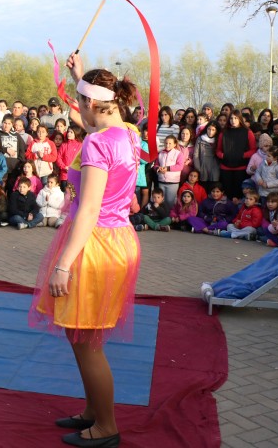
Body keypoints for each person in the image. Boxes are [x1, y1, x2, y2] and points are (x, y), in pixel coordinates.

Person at [29, 60, 141, 447]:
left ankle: (107, 426)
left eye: (79, 102)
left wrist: (62, 264)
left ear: (92, 105)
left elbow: (89, 209)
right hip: (118, 240)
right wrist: (80, 79)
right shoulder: (128, 134)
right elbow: (97, 115)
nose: (77, 110)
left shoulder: (96, 143)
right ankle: (94, 411)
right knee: (83, 335)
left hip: (95, 244)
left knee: (87, 341)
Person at [216, 110, 256, 202]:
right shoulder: (224, 132)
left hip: (241, 167)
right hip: (225, 167)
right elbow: (218, 150)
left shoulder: (247, 132)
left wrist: (242, 155)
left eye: (236, 118)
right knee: (227, 194)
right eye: (231, 118)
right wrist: (223, 155)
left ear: (240, 119)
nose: (233, 120)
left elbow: (253, 149)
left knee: (239, 194)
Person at [155, 134, 182, 208]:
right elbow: (156, 165)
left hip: (173, 182)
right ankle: (162, 215)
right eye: (166, 143)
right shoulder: (160, 153)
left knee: (170, 201)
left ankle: (170, 216)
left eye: (170, 143)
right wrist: (158, 169)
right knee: (161, 200)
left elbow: (180, 166)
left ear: (174, 144)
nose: (167, 145)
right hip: (161, 180)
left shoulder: (178, 153)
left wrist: (167, 168)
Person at [193, 121, 220, 193]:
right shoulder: (200, 138)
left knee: (213, 186)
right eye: (209, 129)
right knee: (203, 187)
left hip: (215, 167)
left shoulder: (218, 139)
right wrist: (198, 168)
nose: (210, 132)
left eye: (213, 130)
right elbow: (196, 154)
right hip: (203, 166)